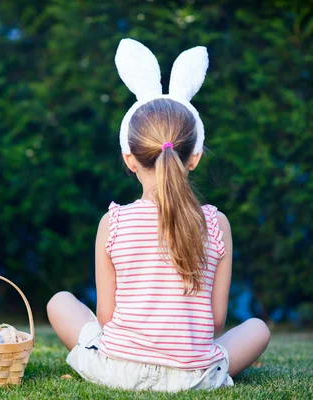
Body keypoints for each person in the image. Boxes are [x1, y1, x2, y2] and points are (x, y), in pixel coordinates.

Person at [46, 38, 271, 391]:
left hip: (118, 370)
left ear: (129, 158)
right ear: (194, 157)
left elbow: (105, 318)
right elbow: (215, 322)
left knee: (60, 303)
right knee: (258, 329)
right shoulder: (216, 223)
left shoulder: (113, 223)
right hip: (194, 376)